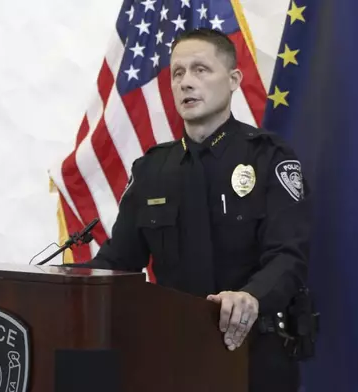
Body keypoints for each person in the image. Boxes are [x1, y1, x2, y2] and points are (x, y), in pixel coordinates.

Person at [66, 28, 311, 391]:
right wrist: (59, 282)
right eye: (177, 73)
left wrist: (250, 297)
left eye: (201, 70)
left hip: (254, 353)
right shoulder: (152, 169)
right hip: (173, 355)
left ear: (233, 80)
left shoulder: (269, 158)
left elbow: (288, 256)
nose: (185, 82)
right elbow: (119, 262)